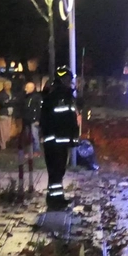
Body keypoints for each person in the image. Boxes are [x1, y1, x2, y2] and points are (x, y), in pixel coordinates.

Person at [39, 66, 80, 210]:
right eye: (69, 80)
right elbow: (68, 119)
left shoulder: (52, 96)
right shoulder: (61, 97)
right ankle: (54, 200)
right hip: (58, 142)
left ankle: (56, 198)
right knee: (57, 171)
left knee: (56, 172)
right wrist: (73, 136)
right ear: (64, 80)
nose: (71, 83)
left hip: (54, 141)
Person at [0, 79, 16, 150]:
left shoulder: (12, 93)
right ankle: (2, 146)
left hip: (10, 114)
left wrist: (10, 101)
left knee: (7, 130)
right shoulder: (1, 94)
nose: (7, 86)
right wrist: (11, 101)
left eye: (9, 85)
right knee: (3, 131)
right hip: (4, 114)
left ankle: (5, 143)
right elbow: (3, 103)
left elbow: (15, 101)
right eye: (6, 85)